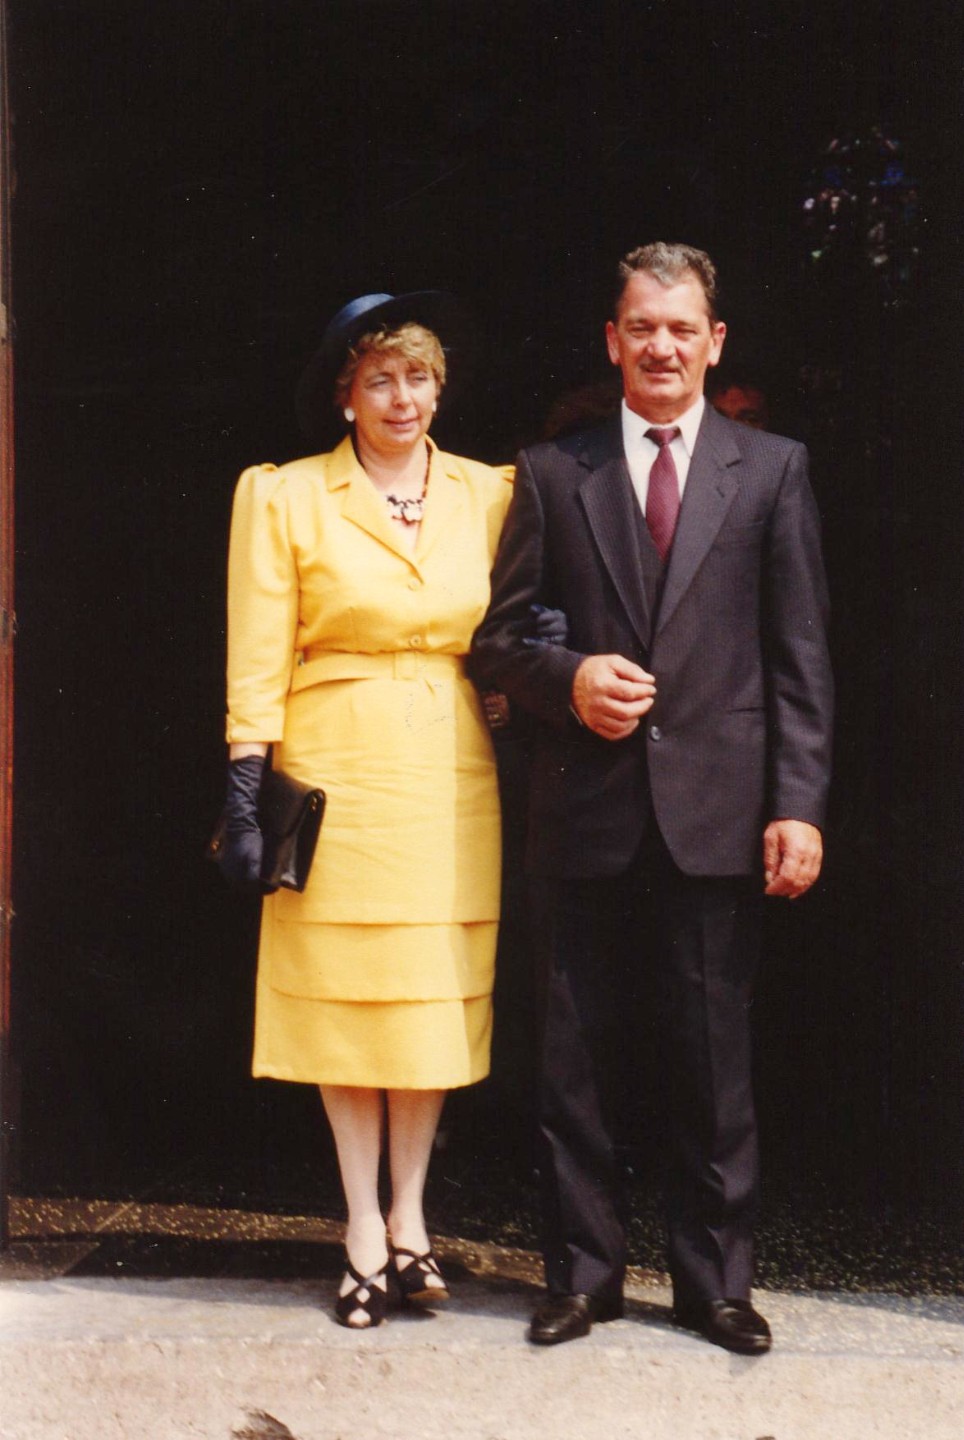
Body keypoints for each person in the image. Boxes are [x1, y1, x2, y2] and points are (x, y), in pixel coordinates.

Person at [469, 243, 833, 1354]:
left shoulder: (770, 470)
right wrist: (568, 679)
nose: (661, 347)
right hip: (582, 810)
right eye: (641, 327)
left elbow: (799, 659)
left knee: (713, 1063)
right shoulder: (551, 471)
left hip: (718, 813)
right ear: (612, 340)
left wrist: (798, 804)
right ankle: (581, 1278)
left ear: (714, 342)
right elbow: (500, 638)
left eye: (681, 329)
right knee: (571, 1062)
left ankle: (713, 1286)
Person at [219, 291, 515, 1329]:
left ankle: (411, 1219)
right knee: (350, 1000)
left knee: (424, 996)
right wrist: (244, 789)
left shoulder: (490, 492)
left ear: (441, 387)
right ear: (345, 395)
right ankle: (357, 1225)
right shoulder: (284, 495)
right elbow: (258, 652)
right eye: (379, 378)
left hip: (448, 769)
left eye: (418, 376)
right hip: (335, 768)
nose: (401, 397)